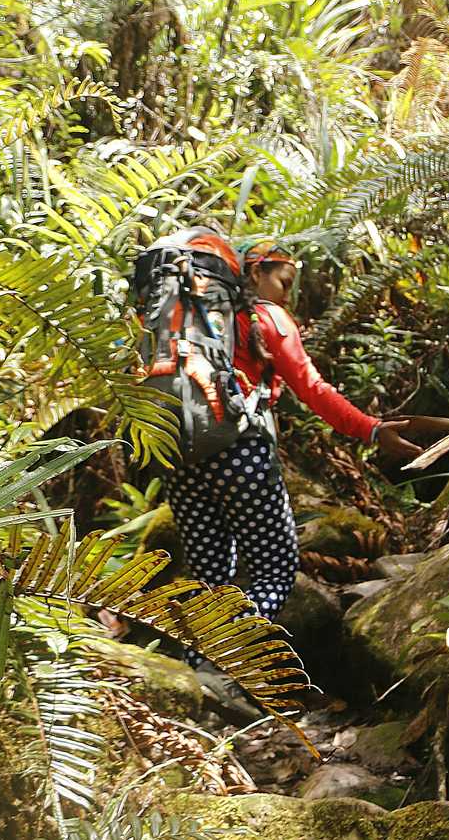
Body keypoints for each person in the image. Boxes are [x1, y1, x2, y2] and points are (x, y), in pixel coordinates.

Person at [162, 238, 420, 629]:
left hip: (179, 458)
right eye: (283, 282)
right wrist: (372, 428)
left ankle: (200, 672)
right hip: (241, 457)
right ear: (254, 272)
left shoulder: (182, 320)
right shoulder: (268, 319)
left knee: (209, 577)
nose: (288, 295)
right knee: (275, 573)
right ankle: (232, 653)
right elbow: (313, 390)